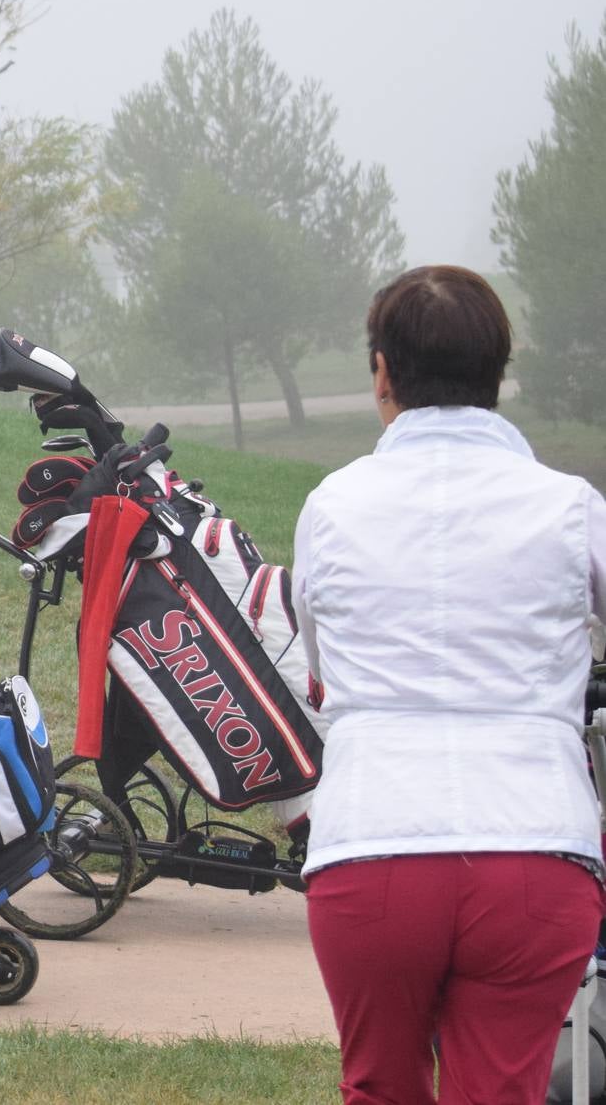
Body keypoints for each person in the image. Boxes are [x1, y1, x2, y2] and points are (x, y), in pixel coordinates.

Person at [294, 265, 606, 1103]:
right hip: (534, 846)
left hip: (372, 844)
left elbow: (319, 662)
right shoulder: (570, 506)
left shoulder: (331, 505)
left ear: (381, 374)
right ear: (496, 374)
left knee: (379, 1087)